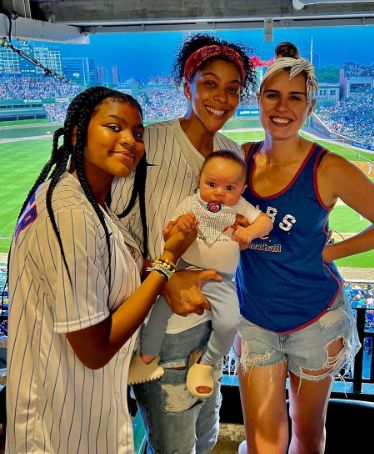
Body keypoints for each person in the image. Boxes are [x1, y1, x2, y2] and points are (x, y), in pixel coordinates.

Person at [6, 87, 197, 453]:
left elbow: (103, 275)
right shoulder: (71, 212)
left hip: (80, 413)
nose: (130, 140)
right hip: (60, 428)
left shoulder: (85, 203)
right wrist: (168, 261)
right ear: (78, 134)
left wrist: (156, 273)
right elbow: (94, 348)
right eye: (114, 127)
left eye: (138, 133)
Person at [235, 54, 374, 453]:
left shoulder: (327, 167)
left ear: (310, 107)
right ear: (258, 99)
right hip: (255, 319)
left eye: (295, 98)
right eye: (273, 95)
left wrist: (329, 252)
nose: (282, 107)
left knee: (308, 436)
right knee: (262, 440)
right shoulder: (238, 158)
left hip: (316, 319)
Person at [110, 34, 256, 454]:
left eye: (233, 88)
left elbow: (235, 222)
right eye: (209, 83)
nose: (222, 98)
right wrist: (163, 274)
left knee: (207, 432)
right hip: (164, 326)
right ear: (186, 85)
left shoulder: (230, 151)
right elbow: (112, 229)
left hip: (214, 320)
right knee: (174, 445)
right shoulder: (148, 143)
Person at [130, 151, 273, 398]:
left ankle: (206, 363)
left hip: (221, 279)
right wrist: (180, 225)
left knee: (229, 323)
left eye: (230, 187)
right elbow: (170, 234)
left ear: (242, 189)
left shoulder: (239, 206)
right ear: (200, 180)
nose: (219, 192)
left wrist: (250, 233)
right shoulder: (190, 203)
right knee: (158, 313)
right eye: (212, 184)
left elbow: (265, 222)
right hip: (184, 271)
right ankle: (146, 357)